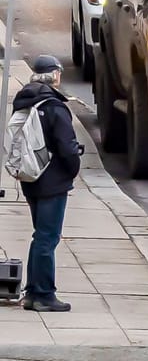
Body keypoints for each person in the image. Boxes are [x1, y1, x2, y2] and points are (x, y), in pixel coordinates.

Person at [14, 56, 85, 313]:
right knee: (48, 237)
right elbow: (66, 147)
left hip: (30, 177)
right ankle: (44, 294)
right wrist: (73, 169)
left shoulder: (24, 101)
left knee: (40, 235)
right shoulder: (55, 106)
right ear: (55, 75)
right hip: (53, 180)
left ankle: (33, 292)